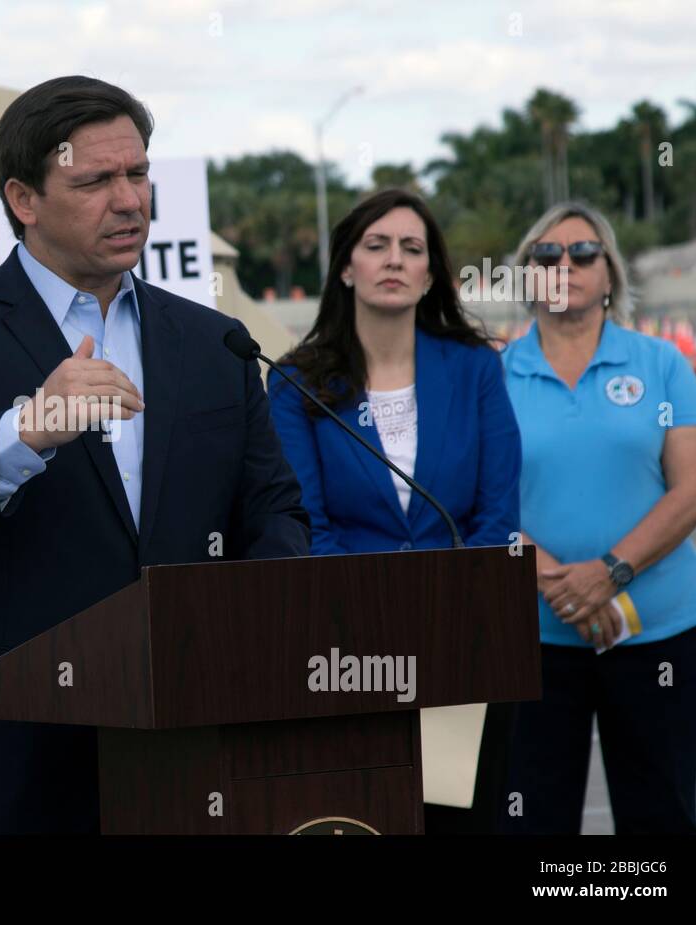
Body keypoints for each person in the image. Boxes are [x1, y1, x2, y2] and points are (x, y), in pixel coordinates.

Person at [0, 76, 311, 834]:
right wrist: (24, 430)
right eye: (95, 180)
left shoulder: (213, 340)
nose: (129, 201)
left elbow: (271, 508)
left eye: (137, 174)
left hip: (179, 742)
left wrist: (258, 630)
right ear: (24, 199)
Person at [268, 188, 521, 833]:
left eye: (412, 249)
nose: (394, 260)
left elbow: (496, 517)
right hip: (345, 650)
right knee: (364, 819)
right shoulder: (297, 382)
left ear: (430, 274)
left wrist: (446, 616)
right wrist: (371, 622)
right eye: (376, 246)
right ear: (346, 267)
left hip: (464, 642)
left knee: (461, 820)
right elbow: (305, 524)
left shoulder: (475, 369)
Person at [501, 202, 696, 834]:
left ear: (610, 275)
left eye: (583, 253)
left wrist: (609, 572)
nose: (564, 264)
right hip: (532, 642)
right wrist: (561, 585)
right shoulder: (493, 374)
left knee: (661, 820)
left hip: (658, 636)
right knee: (533, 823)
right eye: (546, 254)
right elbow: (479, 502)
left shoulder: (661, 364)